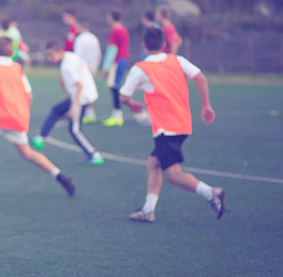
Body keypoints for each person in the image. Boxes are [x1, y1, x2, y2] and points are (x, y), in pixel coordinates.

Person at [119, 27, 225, 223]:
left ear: (143, 46)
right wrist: (206, 106)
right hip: (183, 124)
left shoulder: (140, 68)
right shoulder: (177, 60)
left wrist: (131, 103)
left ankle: (212, 193)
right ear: (164, 45)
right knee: (153, 163)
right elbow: (200, 77)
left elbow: (123, 96)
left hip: (165, 129)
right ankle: (148, 210)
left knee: (173, 175)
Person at [0, 36, 75, 198]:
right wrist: (20, 111)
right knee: (26, 153)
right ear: (12, 52)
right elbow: (29, 95)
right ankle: (60, 175)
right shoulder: (17, 68)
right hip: (16, 118)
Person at [31, 41, 104, 165]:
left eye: (51, 55)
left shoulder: (66, 66)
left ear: (60, 52)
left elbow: (79, 86)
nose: (49, 58)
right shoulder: (71, 56)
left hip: (81, 97)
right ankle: (41, 137)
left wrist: (73, 107)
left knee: (74, 130)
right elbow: (87, 69)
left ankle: (94, 155)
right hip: (83, 94)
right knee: (56, 109)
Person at [101, 9, 129, 127]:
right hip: (123, 60)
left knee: (114, 88)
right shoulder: (123, 30)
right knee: (117, 88)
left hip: (117, 61)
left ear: (111, 17)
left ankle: (117, 116)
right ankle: (117, 115)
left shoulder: (115, 30)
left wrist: (105, 67)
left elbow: (112, 49)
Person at [72, 19, 102, 124]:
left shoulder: (80, 39)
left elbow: (77, 56)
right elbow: (98, 54)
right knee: (87, 89)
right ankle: (89, 112)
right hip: (92, 68)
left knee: (80, 90)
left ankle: (86, 113)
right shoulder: (94, 38)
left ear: (80, 26)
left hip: (82, 69)